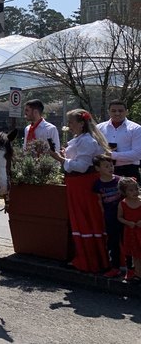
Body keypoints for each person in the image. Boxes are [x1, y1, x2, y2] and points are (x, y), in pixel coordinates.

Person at [49, 109, 111, 273]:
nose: (69, 126)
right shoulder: (81, 139)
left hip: (83, 184)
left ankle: (90, 261)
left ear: (81, 123)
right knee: (82, 219)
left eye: (71, 122)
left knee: (85, 220)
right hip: (77, 184)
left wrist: (60, 159)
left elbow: (82, 167)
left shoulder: (87, 141)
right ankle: (85, 258)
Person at [91, 154, 124, 278]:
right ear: (98, 168)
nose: (110, 168)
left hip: (124, 217)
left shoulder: (120, 181)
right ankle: (115, 267)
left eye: (111, 165)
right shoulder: (97, 184)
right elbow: (100, 201)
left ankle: (133, 269)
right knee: (113, 242)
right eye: (106, 166)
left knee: (128, 241)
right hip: (110, 217)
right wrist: (103, 215)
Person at [96, 100, 141, 180]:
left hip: (129, 171)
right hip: (104, 171)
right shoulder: (99, 128)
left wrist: (112, 155)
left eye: (120, 111)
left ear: (126, 112)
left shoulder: (136, 129)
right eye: (113, 111)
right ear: (108, 112)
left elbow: (137, 154)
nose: (117, 113)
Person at [118, 177, 141, 281]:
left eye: (136, 189)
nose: (135, 192)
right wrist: (128, 222)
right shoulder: (122, 204)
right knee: (136, 254)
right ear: (124, 192)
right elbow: (119, 217)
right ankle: (138, 274)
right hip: (131, 232)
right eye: (131, 190)